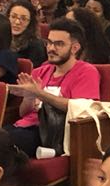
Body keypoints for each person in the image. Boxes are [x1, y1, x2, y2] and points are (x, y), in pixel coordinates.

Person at [6, 17, 102, 158]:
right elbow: (23, 113)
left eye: (59, 44)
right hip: (25, 127)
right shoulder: (40, 71)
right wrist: (29, 96)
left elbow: (81, 109)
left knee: (4, 144)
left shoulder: (86, 72)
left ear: (75, 48)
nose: (51, 48)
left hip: (53, 134)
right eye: (49, 43)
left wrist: (39, 93)